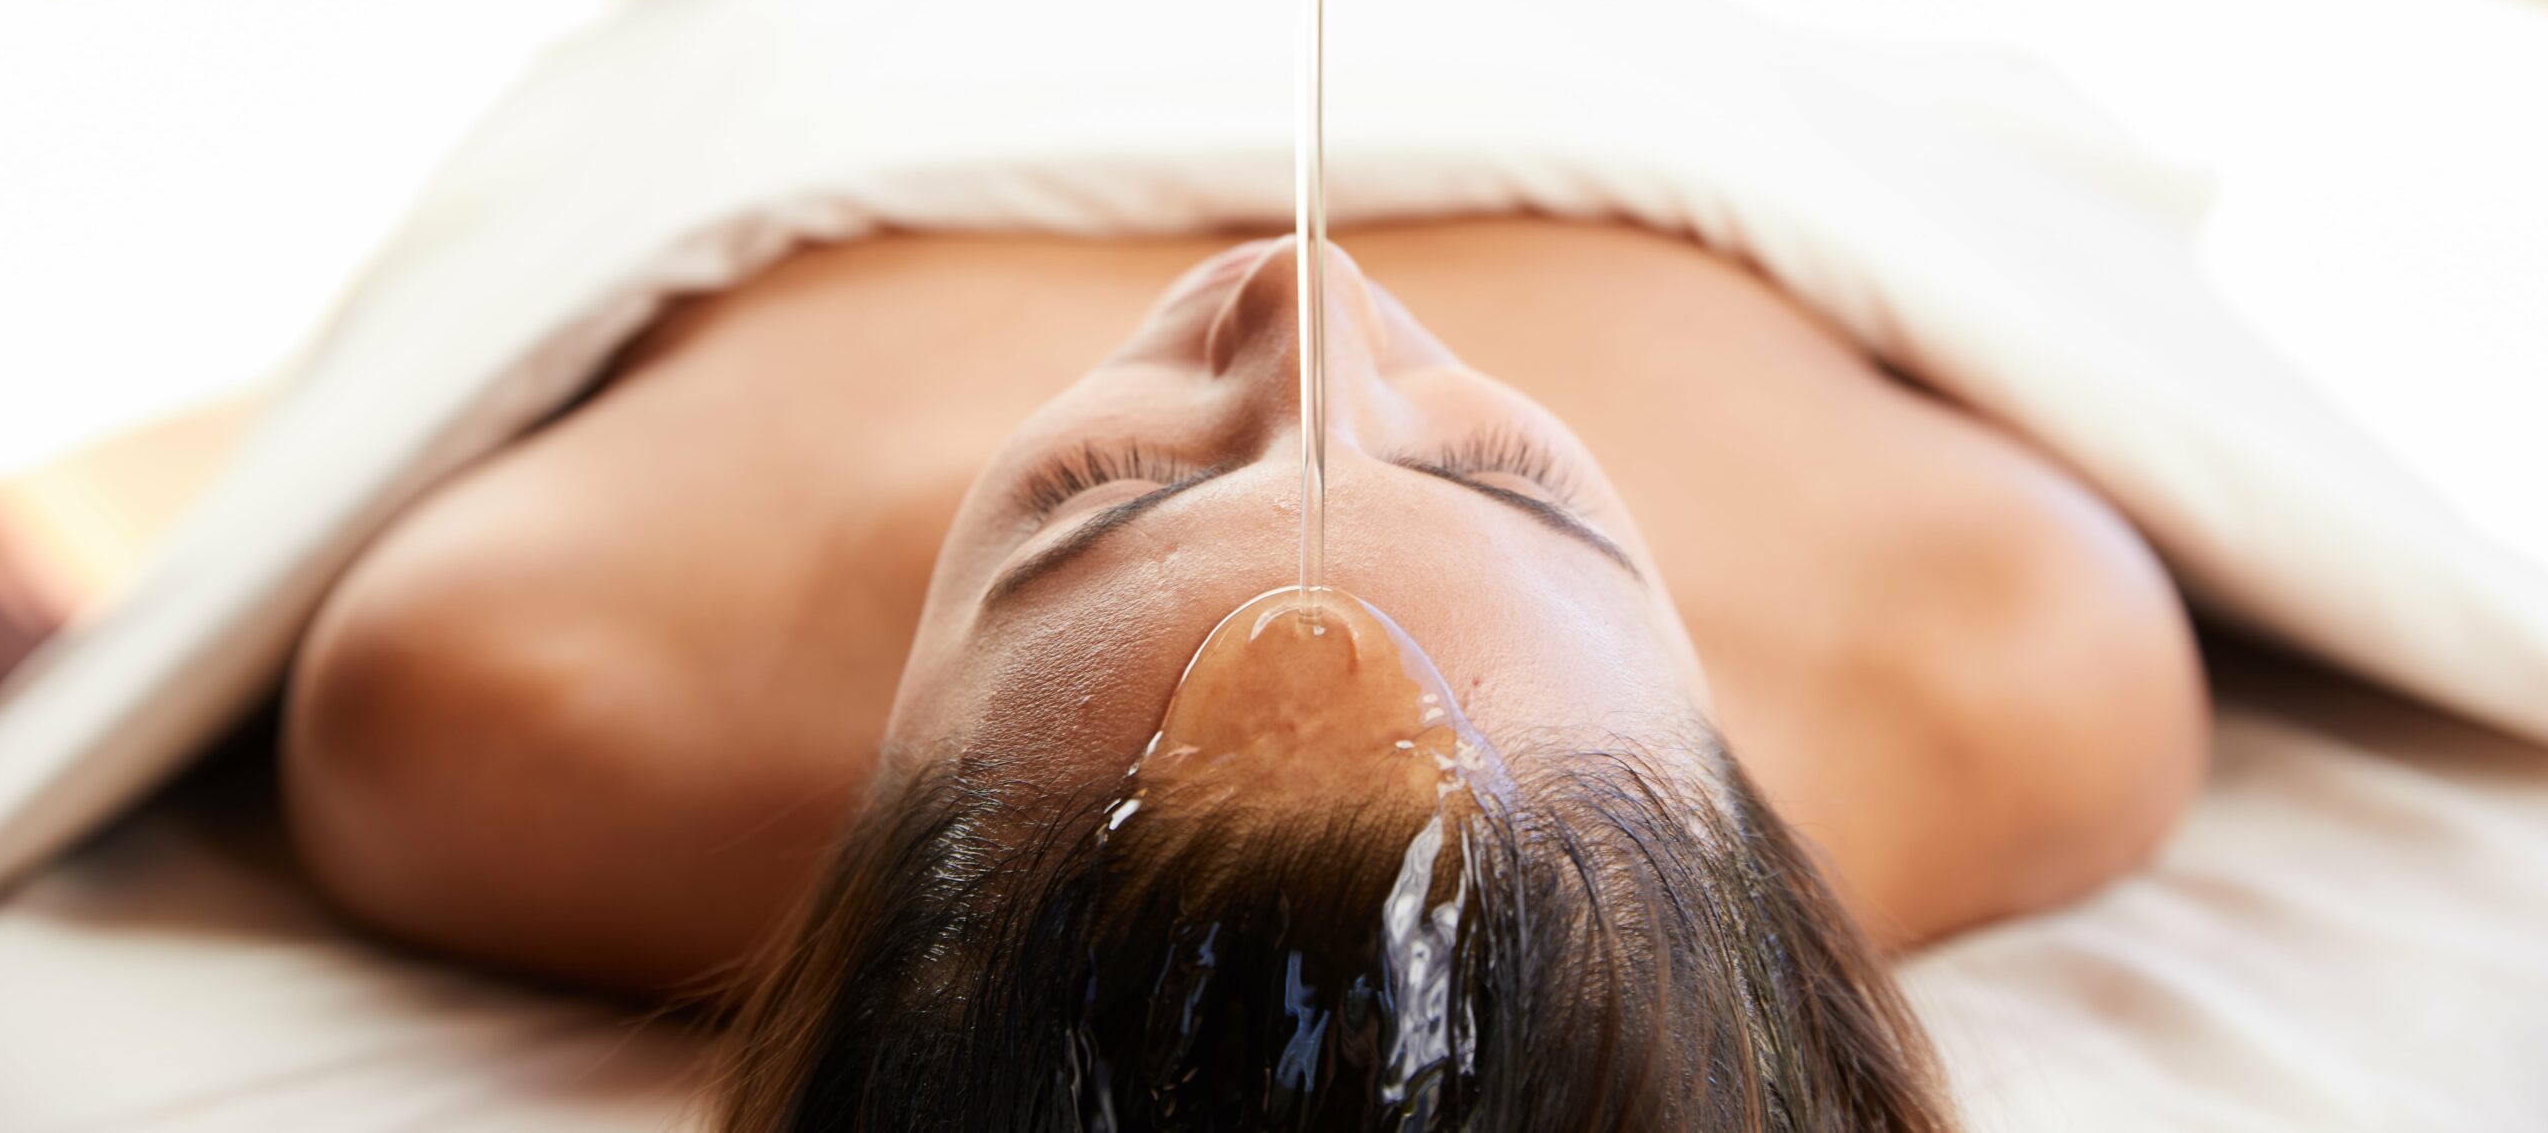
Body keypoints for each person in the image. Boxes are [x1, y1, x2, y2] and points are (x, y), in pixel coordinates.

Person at [277, 217, 2207, 1130]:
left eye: (1101, 491)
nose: (1310, 297)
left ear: (870, 831)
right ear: (1763, 840)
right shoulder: (2016, 654)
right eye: (1508, 475)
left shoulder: (503, 695)